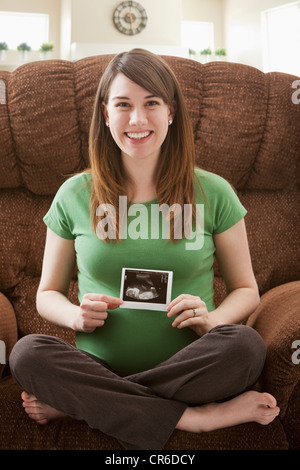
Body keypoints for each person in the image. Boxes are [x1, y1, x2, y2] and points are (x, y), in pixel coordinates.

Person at [9, 49, 279, 450]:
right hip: (97, 366)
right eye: (123, 105)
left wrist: (212, 319)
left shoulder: (214, 192)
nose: (137, 119)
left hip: (192, 365)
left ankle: (86, 403)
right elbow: (47, 293)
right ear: (105, 113)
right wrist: (75, 316)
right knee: (27, 354)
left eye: (151, 103)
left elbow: (246, 288)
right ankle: (196, 419)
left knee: (246, 346)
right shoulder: (74, 194)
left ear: (170, 111)